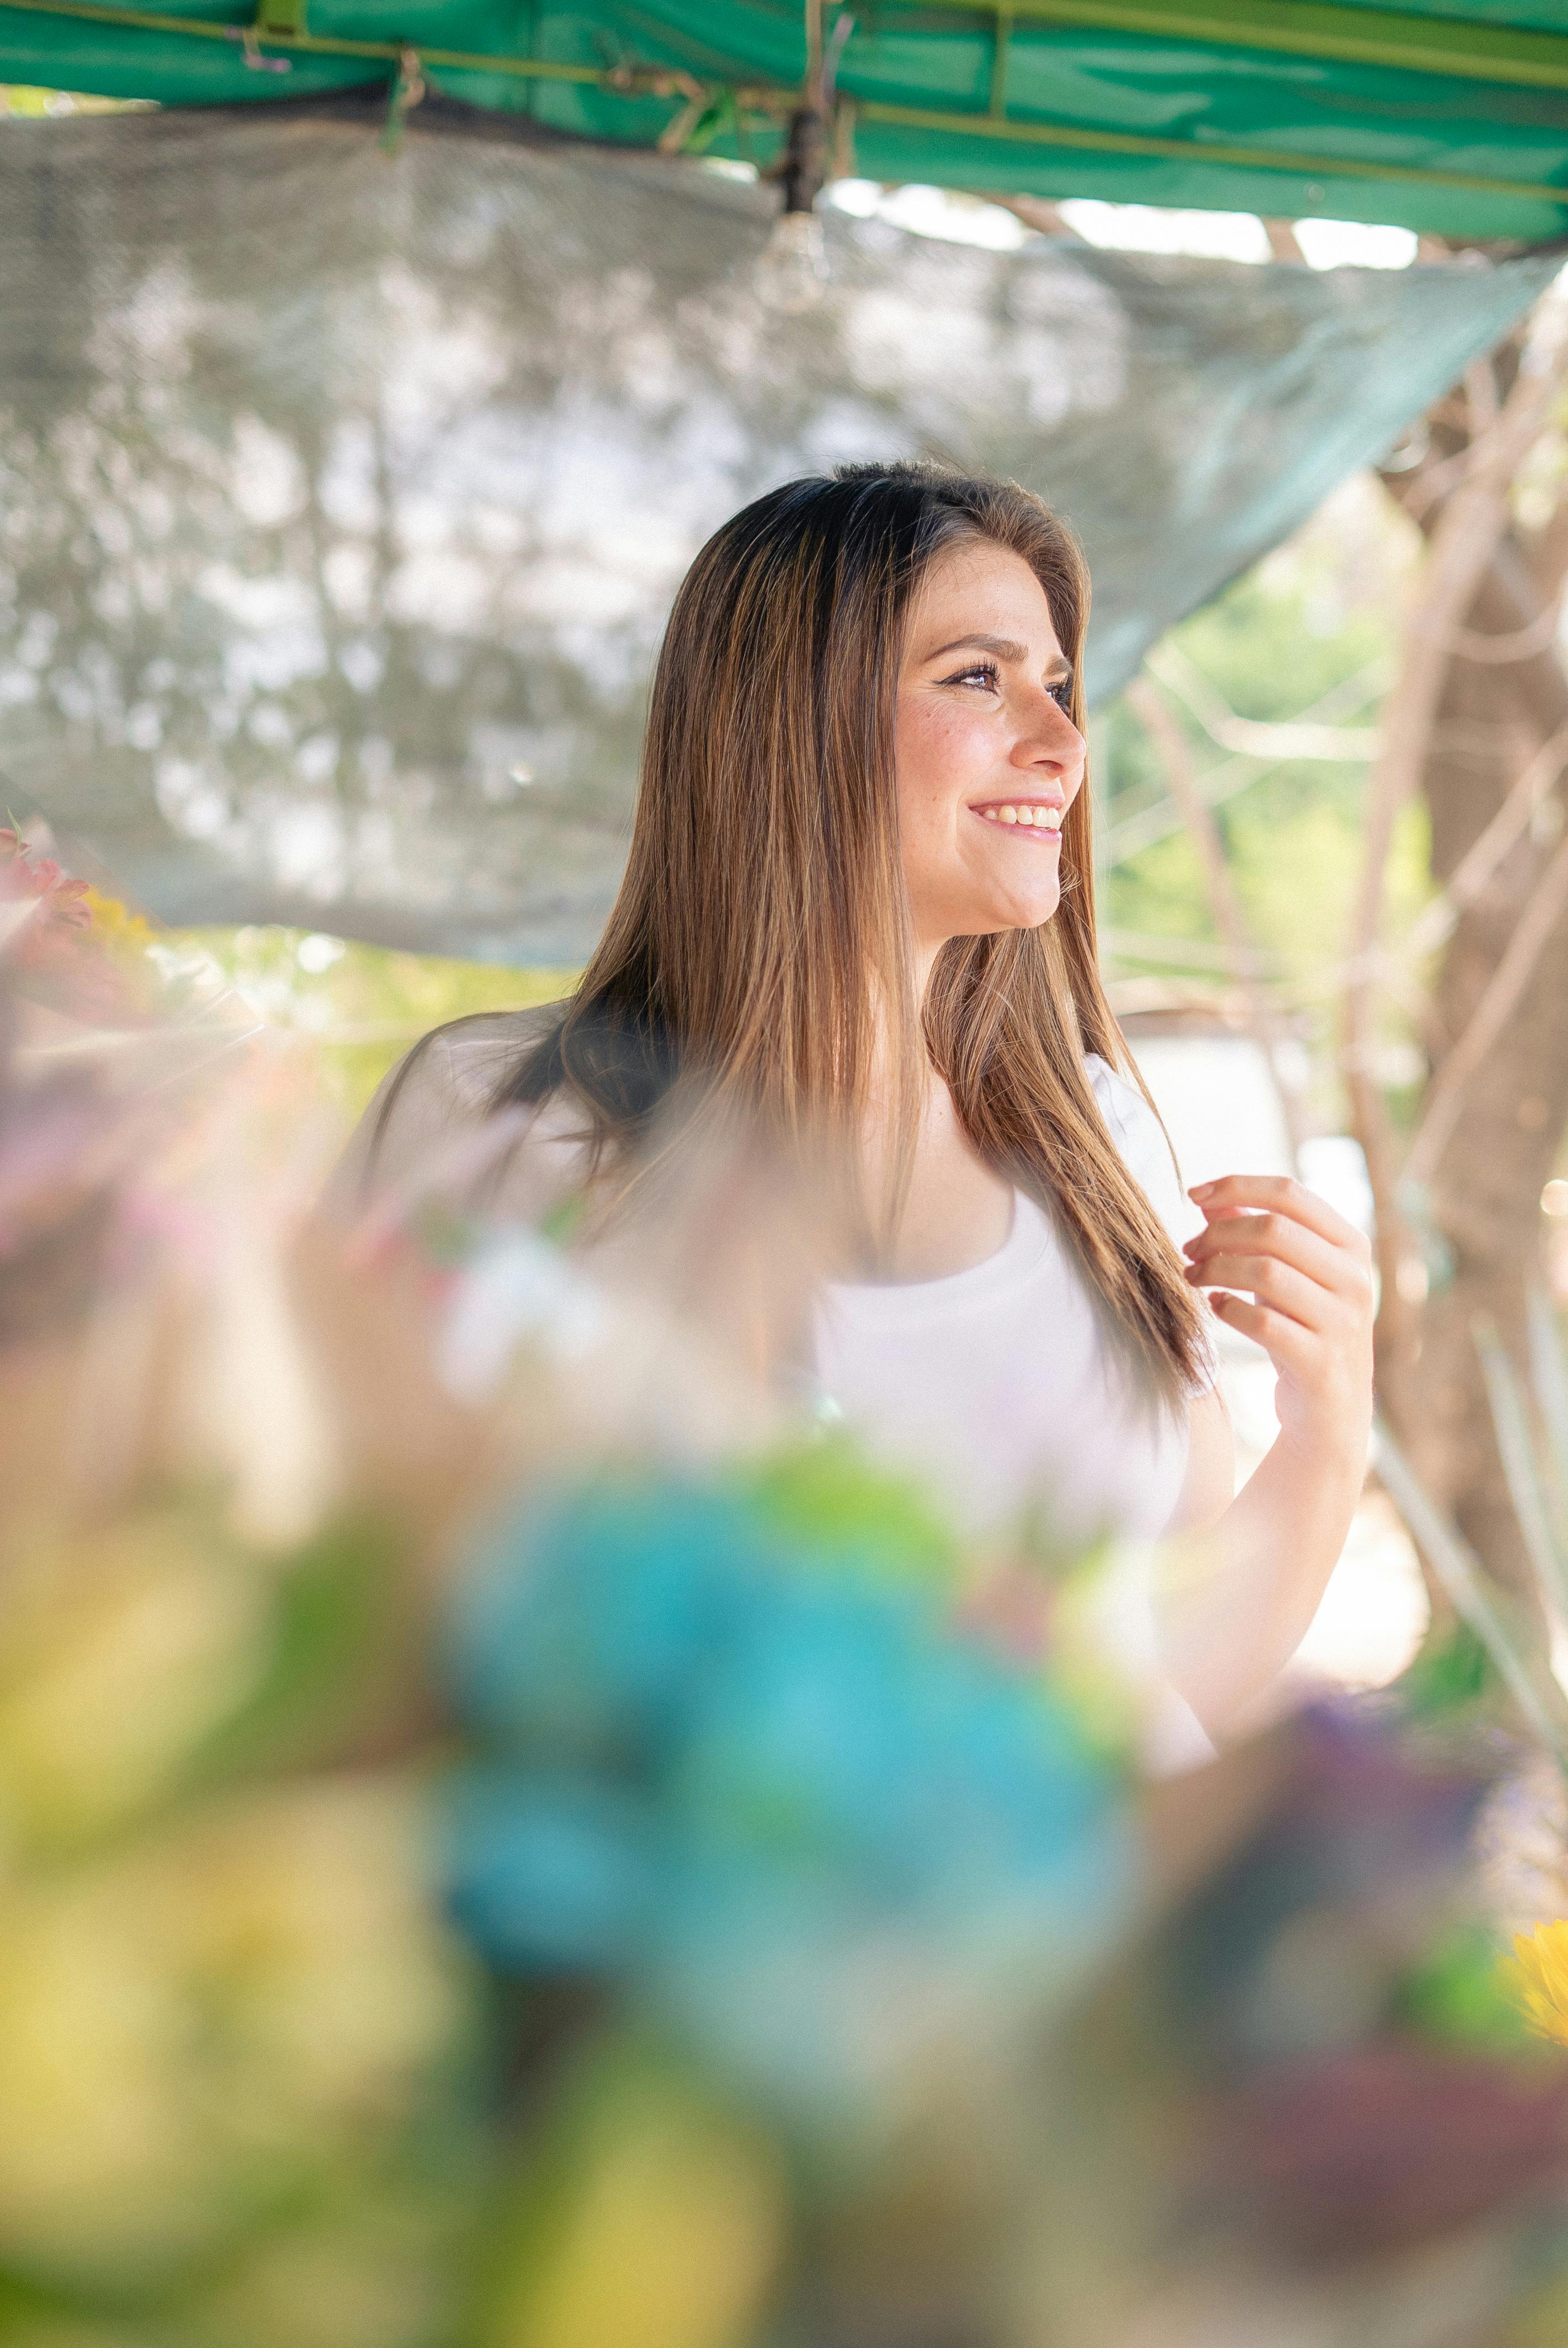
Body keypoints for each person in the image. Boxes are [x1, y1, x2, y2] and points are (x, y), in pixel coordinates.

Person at [336, 463, 1374, 1742]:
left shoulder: (1090, 1134)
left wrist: (1333, 1425)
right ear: (791, 722)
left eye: (1057, 683)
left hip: (1098, 1932)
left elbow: (1160, 1674)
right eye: (978, 677)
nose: (1061, 743)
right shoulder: (508, 1117)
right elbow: (352, 1601)